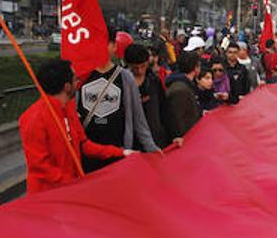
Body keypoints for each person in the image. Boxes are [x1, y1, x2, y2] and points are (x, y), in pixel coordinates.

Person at [20, 59, 132, 193]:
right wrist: (75, 183)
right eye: (75, 79)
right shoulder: (34, 118)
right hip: (47, 197)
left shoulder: (69, 108)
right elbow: (40, 166)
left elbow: (84, 145)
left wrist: (121, 152)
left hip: (70, 190)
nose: (78, 82)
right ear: (67, 87)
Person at [74, 34, 158, 168]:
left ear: (114, 46)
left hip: (119, 150)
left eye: (105, 44)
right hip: (87, 153)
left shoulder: (125, 77)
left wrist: (152, 148)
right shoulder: (81, 77)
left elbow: (138, 118)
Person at [124, 44, 172, 148]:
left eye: (143, 66)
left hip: (154, 137)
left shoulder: (153, 81)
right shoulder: (121, 83)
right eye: (135, 68)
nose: (140, 71)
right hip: (130, 140)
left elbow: (164, 109)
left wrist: (173, 135)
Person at [165, 52, 204, 140]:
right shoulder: (180, 90)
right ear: (196, 68)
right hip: (185, 138)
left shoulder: (186, 85)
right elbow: (176, 119)